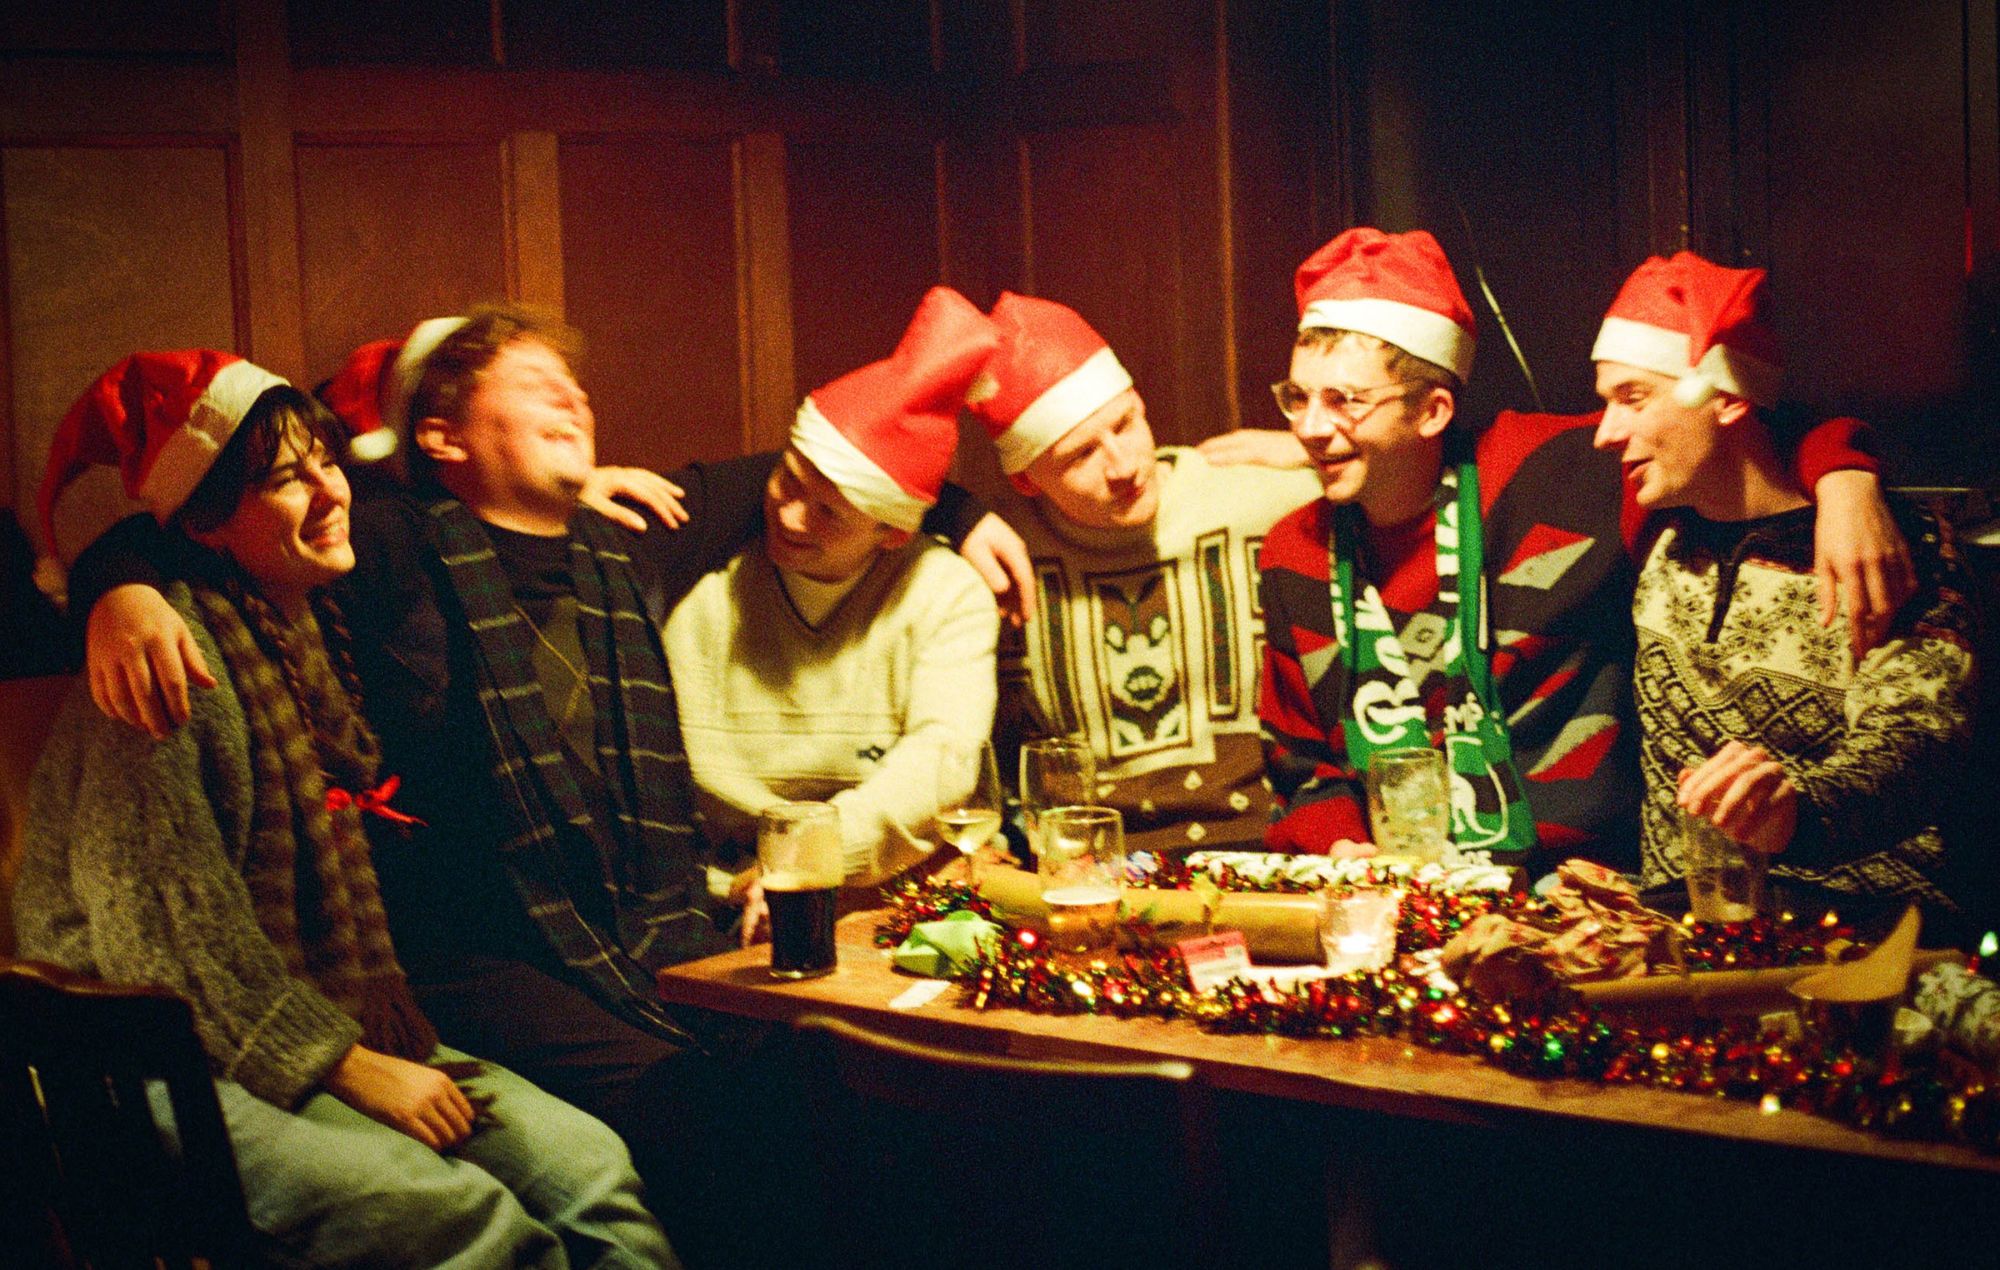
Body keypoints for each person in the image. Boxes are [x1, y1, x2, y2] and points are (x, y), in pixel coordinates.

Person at [62, 304, 1032, 1267]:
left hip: (633, 925)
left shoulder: (631, 537)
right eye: (535, 388)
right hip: (475, 954)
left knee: (833, 1080)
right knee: (705, 1113)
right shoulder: (390, 544)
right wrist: (119, 586)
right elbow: (213, 520)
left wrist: (965, 511)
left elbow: (830, 471)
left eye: (575, 388)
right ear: (441, 438)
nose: (572, 401)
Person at [17, 350, 674, 1266]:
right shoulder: (167, 661)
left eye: (327, 461)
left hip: (317, 1015)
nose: (331, 491)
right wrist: (353, 1068)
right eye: (286, 479)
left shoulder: (320, 625)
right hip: (150, 1060)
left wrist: (576, 482)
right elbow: (162, 944)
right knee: (456, 1213)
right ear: (206, 524)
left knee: (590, 1166)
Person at [1256, 227, 1912, 872]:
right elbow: (1301, 764)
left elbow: (1736, 427)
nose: (1311, 429)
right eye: (1298, 398)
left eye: (1345, 401)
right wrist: (1344, 849)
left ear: (1432, 412)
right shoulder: (1295, 552)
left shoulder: (1560, 474)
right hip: (1389, 881)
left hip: (1578, 883)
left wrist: (1845, 479)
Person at [1589, 251, 1978, 925]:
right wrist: (1843, 466)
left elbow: (1921, 743)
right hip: (1680, 931)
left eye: (1633, 397)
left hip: (1866, 931)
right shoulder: (1652, 523)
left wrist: (1796, 810)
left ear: (1729, 399)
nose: (1604, 433)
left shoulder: (1898, 544)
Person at [959, 292, 1323, 854]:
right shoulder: (998, 550)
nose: (1123, 465)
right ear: (1027, 480)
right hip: (1079, 874)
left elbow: (1436, 470)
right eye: (1081, 455)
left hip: (1262, 860)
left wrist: (1321, 449)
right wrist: (955, 516)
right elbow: (838, 499)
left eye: (1125, 424)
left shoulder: (1259, 500)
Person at [664, 286, 1001, 888]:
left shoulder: (945, 593)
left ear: (891, 534)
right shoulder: (710, 584)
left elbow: (942, 759)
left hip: (895, 888)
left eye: (829, 512)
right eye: (788, 481)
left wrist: (809, 858)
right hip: (728, 889)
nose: (791, 517)